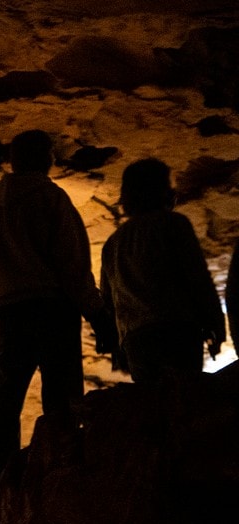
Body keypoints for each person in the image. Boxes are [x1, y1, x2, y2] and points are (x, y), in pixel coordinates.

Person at [0, 129, 111, 498]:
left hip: (8, 313)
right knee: (61, 397)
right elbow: (72, 264)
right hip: (52, 307)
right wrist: (97, 313)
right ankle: (61, 474)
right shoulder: (52, 198)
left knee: (7, 397)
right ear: (44, 157)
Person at [99, 158, 224, 383]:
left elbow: (108, 302)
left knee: (152, 407)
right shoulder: (174, 224)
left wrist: (117, 346)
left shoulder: (113, 243)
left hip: (136, 338)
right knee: (184, 401)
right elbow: (197, 278)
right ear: (162, 190)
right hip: (178, 329)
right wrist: (215, 324)